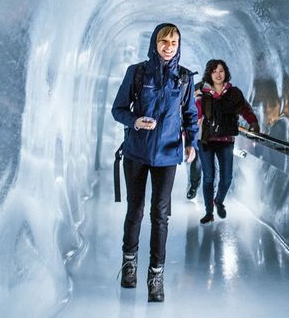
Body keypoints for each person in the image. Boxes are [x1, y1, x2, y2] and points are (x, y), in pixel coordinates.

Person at [111, 23, 198, 303]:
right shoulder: (137, 73)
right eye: (164, 40)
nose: (169, 46)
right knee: (135, 210)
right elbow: (118, 109)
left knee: (160, 214)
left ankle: (156, 275)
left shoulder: (184, 78)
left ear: (178, 45)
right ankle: (129, 264)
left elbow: (190, 116)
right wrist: (135, 120)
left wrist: (191, 143)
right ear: (155, 42)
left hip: (167, 155)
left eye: (174, 41)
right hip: (137, 152)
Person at [197, 59, 260, 224]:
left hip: (226, 140)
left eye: (221, 71)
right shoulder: (202, 92)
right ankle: (209, 212)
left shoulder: (234, 93)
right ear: (209, 74)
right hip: (206, 139)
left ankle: (218, 200)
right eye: (214, 71)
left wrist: (253, 122)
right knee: (209, 177)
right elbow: (193, 112)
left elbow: (245, 109)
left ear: (226, 73)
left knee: (226, 178)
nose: (218, 74)